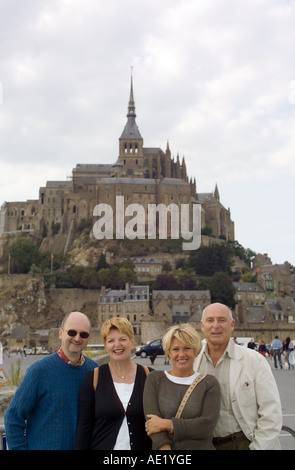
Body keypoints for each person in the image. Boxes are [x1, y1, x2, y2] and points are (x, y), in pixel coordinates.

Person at [194, 302, 282, 450]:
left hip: (243, 443)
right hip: (202, 444)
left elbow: (271, 412)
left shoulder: (255, 361)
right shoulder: (192, 360)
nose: (216, 326)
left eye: (222, 320)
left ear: (232, 325)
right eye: (210, 320)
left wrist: (256, 448)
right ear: (202, 326)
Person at [4, 311, 97, 450]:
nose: (77, 338)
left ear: (89, 338)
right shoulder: (38, 371)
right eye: (72, 332)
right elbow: (13, 417)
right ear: (61, 333)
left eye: (83, 334)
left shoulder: (94, 370)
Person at [74, 317, 152, 450]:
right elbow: (84, 426)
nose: (117, 345)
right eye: (111, 341)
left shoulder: (149, 376)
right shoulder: (93, 378)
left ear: (132, 342)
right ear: (105, 345)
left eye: (122, 339)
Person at [143, 323, 221, 450]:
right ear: (168, 352)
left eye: (187, 348)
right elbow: (153, 424)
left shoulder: (209, 383)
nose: (181, 354)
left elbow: (206, 426)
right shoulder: (155, 379)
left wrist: (167, 424)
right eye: (175, 349)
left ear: (195, 351)